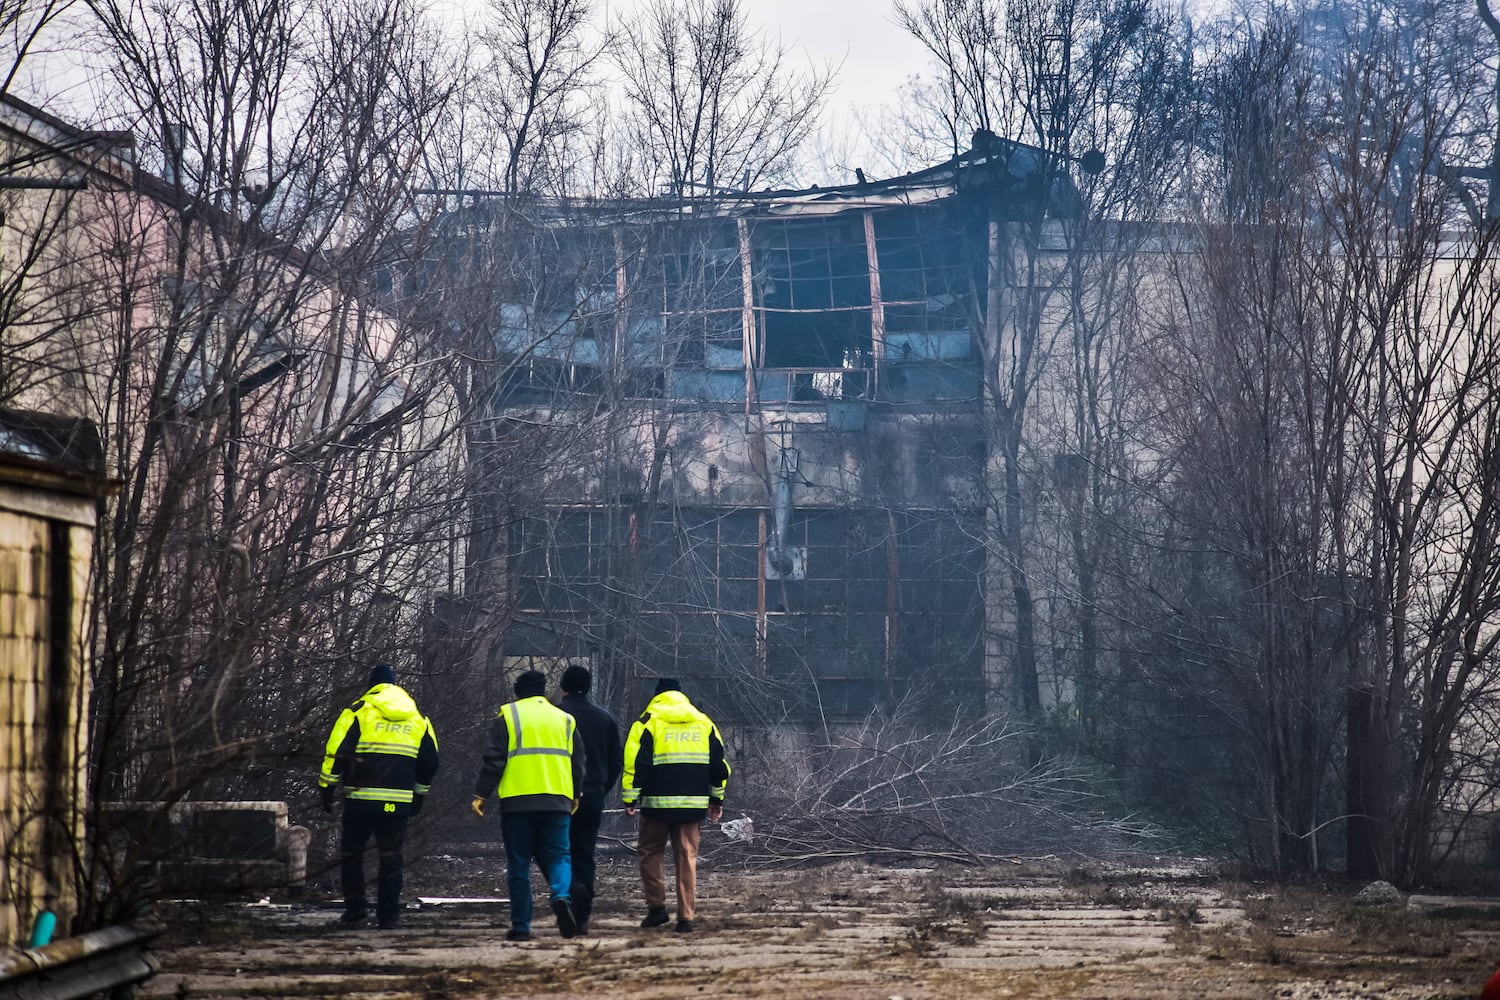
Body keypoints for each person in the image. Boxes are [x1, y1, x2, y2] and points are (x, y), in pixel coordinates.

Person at [318, 663, 439, 930]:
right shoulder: (417, 718)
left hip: (360, 800)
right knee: (391, 856)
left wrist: (326, 787)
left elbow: (336, 751)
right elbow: (430, 761)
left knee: (352, 855)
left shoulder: (359, 712)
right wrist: (419, 795)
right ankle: (389, 915)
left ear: (371, 688)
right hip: (397, 802)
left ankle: (356, 911)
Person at [471, 669, 586, 942]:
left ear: (517, 692)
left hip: (517, 802)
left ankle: (521, 926)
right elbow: (578, 762)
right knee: (559, 856)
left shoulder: (509, 716)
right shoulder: (565, 720)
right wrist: (576, 794)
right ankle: (560, 895)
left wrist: (482, 794)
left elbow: (494, 760)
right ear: (544, 692)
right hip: (557, 799)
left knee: (519, 864)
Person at [622, 677, 730, 934]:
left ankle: (657, 909)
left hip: (656, 805)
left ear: (657, 696)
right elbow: (719, 766)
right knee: (687, 858)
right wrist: (717, 799)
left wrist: (630, 798)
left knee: (650, 851)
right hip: (692, 806)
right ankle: (686, 918)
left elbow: (636, 763)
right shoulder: (704, 723)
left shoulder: (647, 723)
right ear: (683, 695)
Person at [557, 664, 623, 935]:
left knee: (558, 850)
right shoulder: (604, 718)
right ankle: (583, 916)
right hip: (593, 793)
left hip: (559, 794)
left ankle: (571, 890)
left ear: (563, 688)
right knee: (585, 851)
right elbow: (616, 761)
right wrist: (601, 788)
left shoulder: (555, 716)